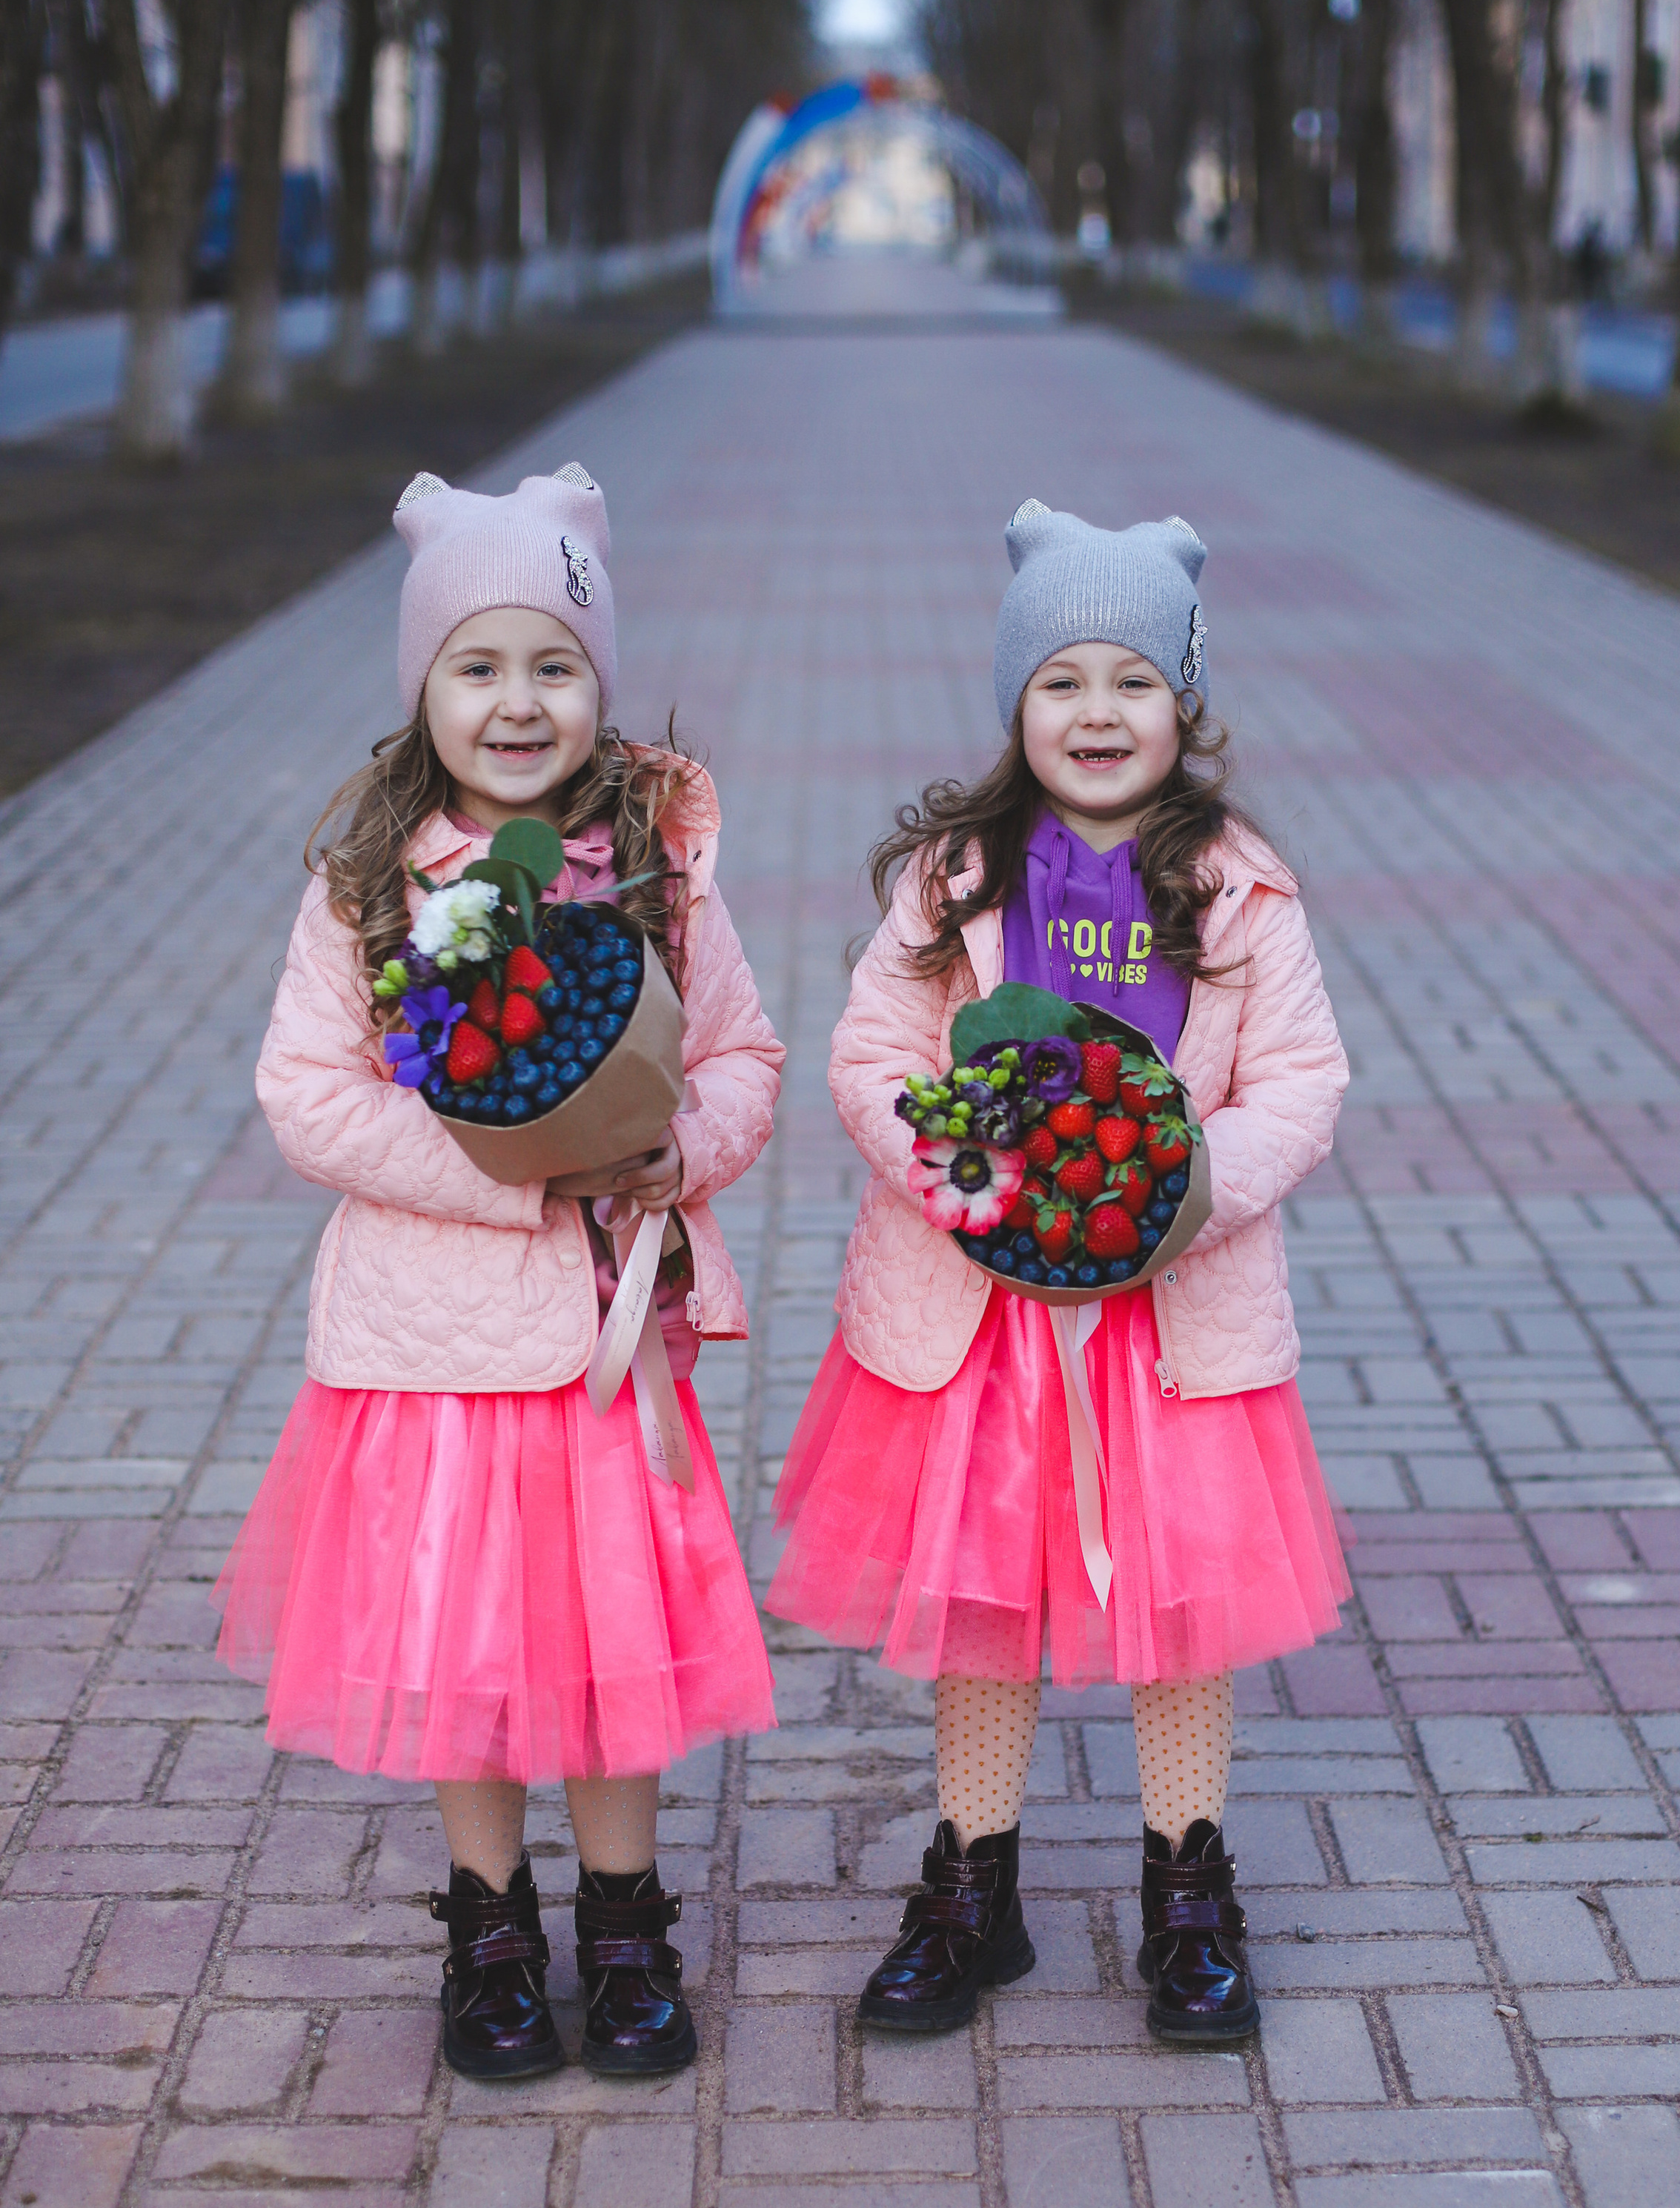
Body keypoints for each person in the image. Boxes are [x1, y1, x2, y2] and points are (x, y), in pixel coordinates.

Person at [216, 464, 783, 2083]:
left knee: (610, 1643)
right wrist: (510, 1173)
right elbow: (308, 1096)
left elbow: (738, 1054)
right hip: (432, 1345)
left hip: (608, 1338)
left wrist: (678, 1152)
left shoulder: (657, 869)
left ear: (599, 686)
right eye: (477, 665)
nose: (517, 701)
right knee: (463, 1644)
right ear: (425, 690)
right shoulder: (370, 883)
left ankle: (625, 1920)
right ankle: (487, 1926)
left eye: (554, 665)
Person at [768, 501, 1349, 2045]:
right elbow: (873, 1057)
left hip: (1170, 1316)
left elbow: (1299, 1081)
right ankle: (973, 1882)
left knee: (1182, 1605)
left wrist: (1183, 1189)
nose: (1098, 713)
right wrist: (958, 1173)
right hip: (984, 1319)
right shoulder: (957, 879)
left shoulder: (1239, 887)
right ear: (1015, 703)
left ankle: (1187, 1886)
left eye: (1133, 682)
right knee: (980, 1597)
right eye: (1062, 682)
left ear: (1182, 702)